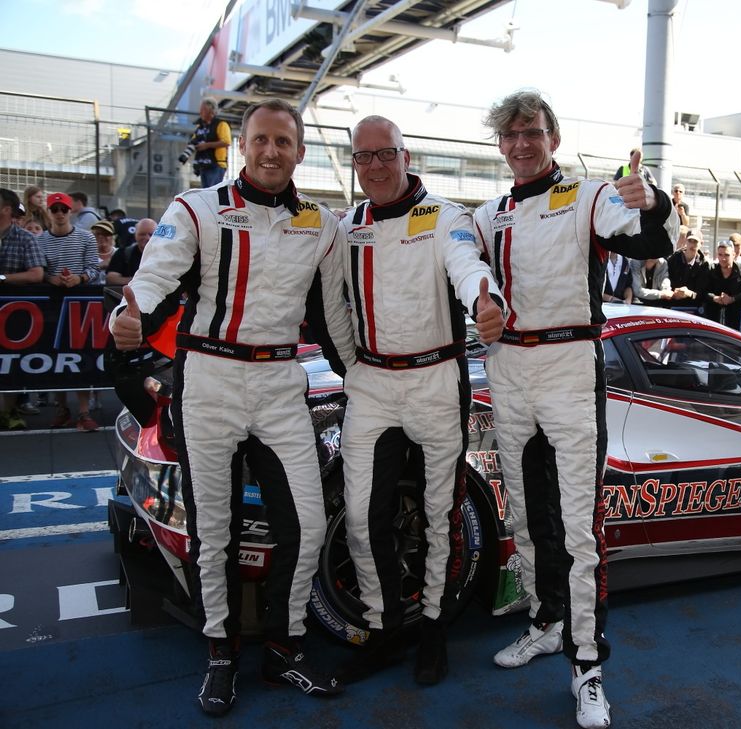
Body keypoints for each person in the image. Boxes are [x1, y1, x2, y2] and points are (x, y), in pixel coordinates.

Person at [109, 99, 355, 716]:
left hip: (280, 385)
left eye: (283, 141)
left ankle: (284, 649)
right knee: (213, 530)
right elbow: (153, 279)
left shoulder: (323, 224)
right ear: (242, 145)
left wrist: (363, 372)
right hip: (209, 381)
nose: (271, 151)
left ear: (299, 152)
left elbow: (332, 318)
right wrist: (127, 317)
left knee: (307, 524)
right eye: (261, 140)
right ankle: (220, 653)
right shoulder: (196, 207)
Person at [472, 89, 677, 729]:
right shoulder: (487, 213)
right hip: (508, 371)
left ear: (553, 139)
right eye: (510, 135)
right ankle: (544, 621)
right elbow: (460, 278)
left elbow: (650, 242)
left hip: (569, 371)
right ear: (500, 145)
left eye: (531, 132)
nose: (521, 144)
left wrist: (653, 201)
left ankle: (587, 665)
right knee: (527, 516)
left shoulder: (590, 195)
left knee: (579, 527)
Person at [333, 115, 504, 687]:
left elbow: (468, 267)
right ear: (355, 164)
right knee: (362, 517)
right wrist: (353, 366)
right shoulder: (347, 227)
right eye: (364, 157)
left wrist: (486, 300)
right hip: (372, 386)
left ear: (406, 157)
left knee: (439, 516)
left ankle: (433, 627)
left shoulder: (445, 217)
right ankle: (382, 629)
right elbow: (328, 304)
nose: (376, 166)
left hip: (436, 380)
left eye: (386, 154)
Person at [38, 191, 101, 431]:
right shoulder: (40, 240)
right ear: (49, 212)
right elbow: (38, 270)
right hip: (51, 304)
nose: (60, 213)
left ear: (70, 210)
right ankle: (62, 409)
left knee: (80, 357)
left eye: (63, 209)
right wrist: (50, 279)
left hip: (80, 304)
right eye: (55, 210)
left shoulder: (86, 237)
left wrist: (80, 278)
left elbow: (94, 268)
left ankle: (83, 412)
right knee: (56, 358)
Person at [0, 188, 47, 431]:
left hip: (14, 314)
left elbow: (37, 273)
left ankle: (9, 411)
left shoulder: (25, 238)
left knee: (11, 363)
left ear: (6, 209)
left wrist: (3, 278)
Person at [703, 240, 741, 327]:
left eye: (727, 255)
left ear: (734, 255)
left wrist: (732, 299)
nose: (723, 259)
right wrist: (715, 298)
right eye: (720, 255)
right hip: (713, 316)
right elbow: (704, 291)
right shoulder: (711, 269)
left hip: (735, 316)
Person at [189, 97, 232, 187]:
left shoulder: (221, 124)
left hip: (217, 164)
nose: (200, 112)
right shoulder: (200, 126)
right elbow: (193, 140)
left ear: (211, 110)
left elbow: (226, 142)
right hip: (203, 165)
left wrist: (206, 145)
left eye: (203, 109)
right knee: (206, 192)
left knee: (212, 191)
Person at [666, 229, 709, 309]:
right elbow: (666, 281)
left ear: (701, 243)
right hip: (672, 305)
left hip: (693, 308)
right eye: (690, 241)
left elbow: (703, 293)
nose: (692, 245)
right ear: (686, 241)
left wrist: (689, 293)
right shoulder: (673, 259)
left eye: (695, 242)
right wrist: (673, 292)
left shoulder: (704, 265)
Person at [105, 218, 156, 285]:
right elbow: (111, 279)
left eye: (151, 234)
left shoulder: (165, 254)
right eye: (142, 234)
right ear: (135, 235)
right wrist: (141, 281)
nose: (147, 238)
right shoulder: (123, 253)